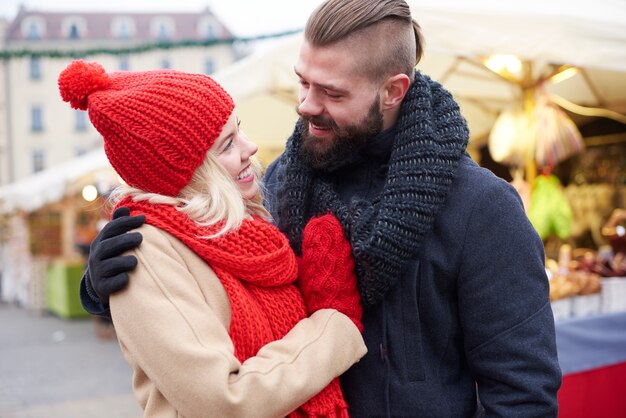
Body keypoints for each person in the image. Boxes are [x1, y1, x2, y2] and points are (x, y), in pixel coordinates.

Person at [80, 0, 562, 416]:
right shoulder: (278, 185)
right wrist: (108, 285)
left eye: (332, 93)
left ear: (393, 90)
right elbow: (204, 287)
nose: (306, 106)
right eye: (303, 82)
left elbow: (522, 394)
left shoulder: (481, 208)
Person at [58, 59, 367, 417]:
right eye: (226, 144)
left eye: (240, 130)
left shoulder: (249, 230)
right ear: (187, 172)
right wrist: (333, 324)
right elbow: (224, 401)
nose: (250, 147)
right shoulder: (148, 250)